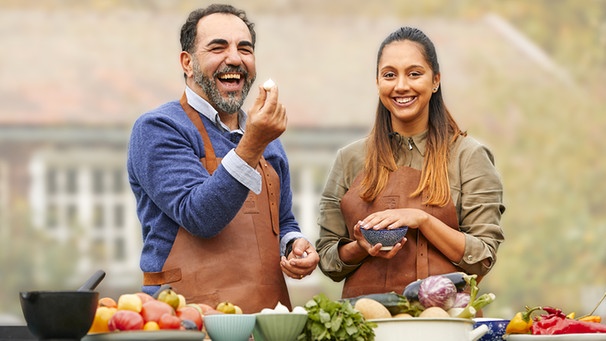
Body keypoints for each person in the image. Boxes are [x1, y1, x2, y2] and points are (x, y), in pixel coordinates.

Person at [127, 4, 319, 313]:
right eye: (218, 48)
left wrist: (294, 243)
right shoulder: (159, 128)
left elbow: (282, 219)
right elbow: (200, 216)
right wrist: (252, 143)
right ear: (187, 63)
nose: (235, 58)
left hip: (267, 321)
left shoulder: (267, 138)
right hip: (184, 320)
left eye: (245, 49)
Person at [316, 26, 505, 299]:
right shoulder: (349, 159)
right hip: (365, 327)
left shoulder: (469, 157)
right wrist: (360, 247)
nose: (401, 85)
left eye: (414, 74)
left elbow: (483, 257)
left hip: (444, 323)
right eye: (389, 75)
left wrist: (422, 220)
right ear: (378, 82)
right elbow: (327, 259)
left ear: (435, 80)